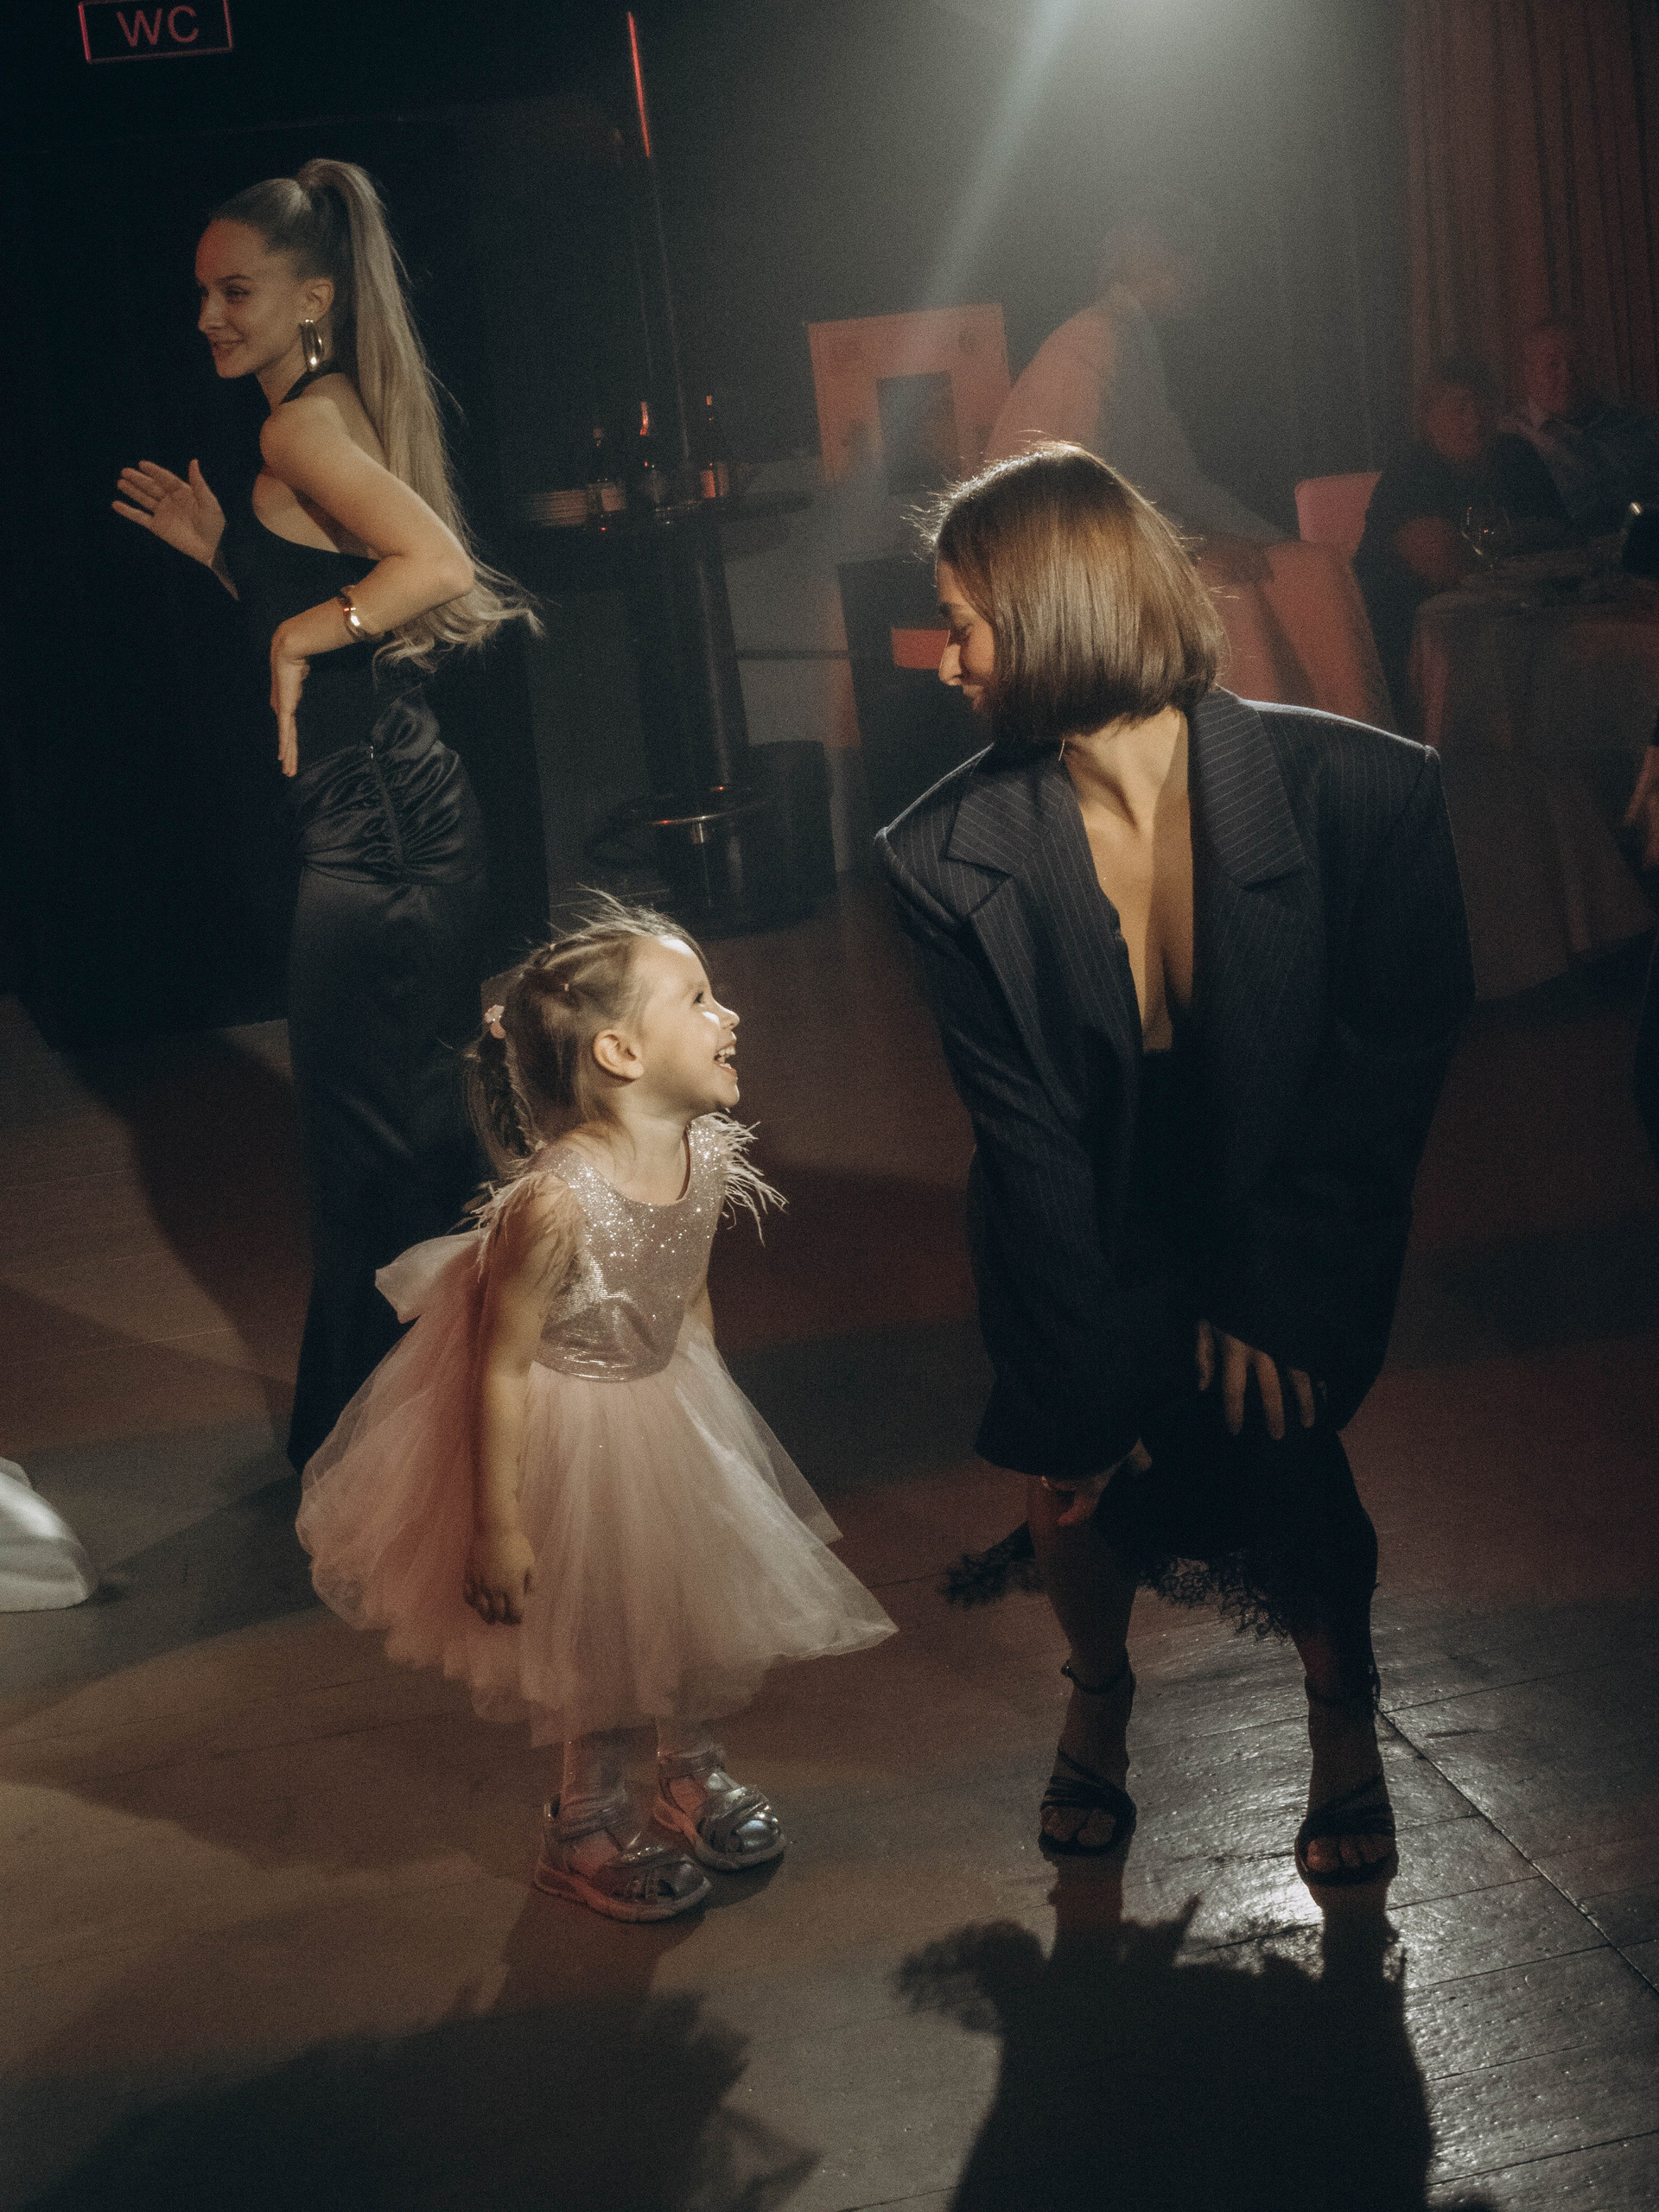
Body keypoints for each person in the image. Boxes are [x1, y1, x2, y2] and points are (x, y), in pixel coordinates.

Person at [878, 447, 1472, 1885]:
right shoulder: (943, 853)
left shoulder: (1365, 794)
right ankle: (1098, 1693)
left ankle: (1342, 1714)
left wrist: (1275, 1290)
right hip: (1080, 1207)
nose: (943, 660)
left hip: (1286, 1198)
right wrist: (1089, 1387)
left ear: (1061, 612)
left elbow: (1386, 1067)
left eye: (963, 624)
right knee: (1070, 1474)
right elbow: (1024, 1135)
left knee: (1286, 1444)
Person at [296, 904, 895, 1921]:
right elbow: (499, 1366)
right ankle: (582, 1820)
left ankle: (688, 1769)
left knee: (681, 1596)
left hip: (664, 1403)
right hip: (568, 1429)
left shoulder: (705, 1153)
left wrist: (714, 1422)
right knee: (600, 1630)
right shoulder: (557, 1201)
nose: (729, 1015)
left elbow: (685, 1294)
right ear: (620, 1053)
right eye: (698, 1000)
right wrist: (497, 1524)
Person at [113, 160, 535, 1469]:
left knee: (377, 1162)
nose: (208, 316)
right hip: (390, 822)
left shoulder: (298, 429)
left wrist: (299, 630)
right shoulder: (329, 408)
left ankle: (400, 1450)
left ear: (312, 297)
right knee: (403, 1152)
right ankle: (446, 1433)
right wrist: (231, 558)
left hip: (383, 839)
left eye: (235, 292)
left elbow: (436, 566)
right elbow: (350, 582)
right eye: (201, 293)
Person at [1353, 357, 1566, 723]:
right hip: (1414, 650)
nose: (1476, 420)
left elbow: (1563, 535)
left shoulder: (1516, 455)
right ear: (1429, 418)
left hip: (1519, 624)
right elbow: (1442, 559)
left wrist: (1506, 543)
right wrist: (1518, 542)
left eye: (1484, 405)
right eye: (1460, 408)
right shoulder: (1411, 470)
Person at [1499, 318, 1659, 532]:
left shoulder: (1634, 422)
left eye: (1577, 361)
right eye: (1552, 364)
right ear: (1529, 373)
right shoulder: (1510, 437)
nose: (1567, 374)